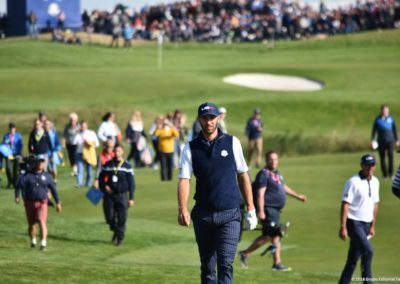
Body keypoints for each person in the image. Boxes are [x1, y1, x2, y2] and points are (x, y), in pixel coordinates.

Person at [178, 102, 257, 284]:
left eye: (212, 118)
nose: (209, 122)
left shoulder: (232, 142)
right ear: (199, 120)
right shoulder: (190, 148)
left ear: (218, 118)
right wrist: (183, 208)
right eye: (205, 118)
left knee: (225, 264)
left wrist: (251, 208)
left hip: (230, 213)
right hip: (203, 216)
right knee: (207, 268)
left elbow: (243, 176)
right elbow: (184, 179)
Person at [238, 150, 307, 271]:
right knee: (274, 233)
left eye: (275, 159)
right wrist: (260, 211)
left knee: (273, 235)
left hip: (275, 210)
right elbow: (260, 193)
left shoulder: (277, 174)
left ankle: (253, 256)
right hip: (267, 209)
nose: (273, 161)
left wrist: (297, 196)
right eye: (271, 159)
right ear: (266, 160)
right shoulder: (264, 174)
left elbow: (283, 187)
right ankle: (273, 262)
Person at [338, 154, 380, 284]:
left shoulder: (375, 181)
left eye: (372, 165)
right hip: (354, 223)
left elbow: (376, 203)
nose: (370, 168)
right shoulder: (353, 182)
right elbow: (345, 204)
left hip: (367, 224)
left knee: (353, 258)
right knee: (368, 251)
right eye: (367, 165)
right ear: (361, 166)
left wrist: (372, 225)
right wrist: (343, 227)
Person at [15, 155, 62, 251]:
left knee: (41, 221)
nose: (41, 163)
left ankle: (43, 243)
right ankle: (33, 241)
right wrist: (17, 196)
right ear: (36, 163)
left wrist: (58, 202)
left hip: (42, 202)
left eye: (42, 162)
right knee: (31, 224)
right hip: (29, 203)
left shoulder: (47, 176)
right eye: (39, 161)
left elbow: (53, 189)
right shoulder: (28, 175)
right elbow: (19, 185)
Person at [99, 144, 135, 246]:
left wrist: (131, 197)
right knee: (109, 218)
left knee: (122, 218)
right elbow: (101, 178)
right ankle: (116, 231)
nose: (116, 153)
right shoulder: (108, 164)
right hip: (109, 196)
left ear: (122, 152)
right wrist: (105, 186)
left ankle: (120, 239)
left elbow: (131, 183)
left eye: (118, 151)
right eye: (115, 151)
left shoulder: (127, 166)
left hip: (122, 195)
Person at [371, 104, 399, 178]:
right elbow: (374, 131)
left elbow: (394, 130)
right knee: (382, 157)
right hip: (381, 141)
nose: (385, 111)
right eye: (384, 110)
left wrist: (397, 139)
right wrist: (372, 140)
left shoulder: (391, 119)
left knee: (391, 156)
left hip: (390, 141)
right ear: (381, 111)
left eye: (387, 110)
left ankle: (391, 174)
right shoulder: (378, 119)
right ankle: (385, 174)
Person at [74, 121, 99, 188]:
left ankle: (88, 183)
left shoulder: (91, 133)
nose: (83, 127)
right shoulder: (78, 134)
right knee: (80, 169)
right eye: (82, 126)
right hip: (80, 153)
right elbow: (74, 142)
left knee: (89, 170)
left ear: (87, 126)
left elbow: (96, 144)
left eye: (84, 126)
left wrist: (89, 143)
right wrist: (76, 134)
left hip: (89, 154)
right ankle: (79, 183)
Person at [2, 123, 23, 188]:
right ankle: (10, 180)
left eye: (13, 128)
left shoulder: (18, 136)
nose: (12, 130)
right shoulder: (6, 136)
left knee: (15, 168)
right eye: (11, 128)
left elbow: (20, 145)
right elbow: (3, 145)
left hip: (16, 154)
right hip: (9, 154)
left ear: (15, 129)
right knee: (8, 167)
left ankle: (14, 182)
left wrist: (18, 153)